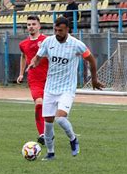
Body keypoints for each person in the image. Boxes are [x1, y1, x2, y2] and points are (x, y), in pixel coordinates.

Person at [28, 17, 104, 160]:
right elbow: (38, 57)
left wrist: (94, 79)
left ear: (67, 29)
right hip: (50, 88)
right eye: (55, 30)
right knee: (48, 124)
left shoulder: (76, 45)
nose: (57, 33)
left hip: (67, 89)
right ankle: (50, 153)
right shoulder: (48, 42)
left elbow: (92, 59)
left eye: (60, 30)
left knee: (61, 119)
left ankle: (73, 139)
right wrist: (34, 63)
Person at [17, 15, 49, 145]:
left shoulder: (47, 40)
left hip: (50, 78)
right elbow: (23, 57)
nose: (31, 26)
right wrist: (21, 74)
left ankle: (48, 132)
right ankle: (42, 134)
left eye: (33, 24)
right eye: (29, 24)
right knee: (39, 104)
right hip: (34, 79)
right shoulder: (23, 44)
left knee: (50, 109)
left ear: (39, 26)